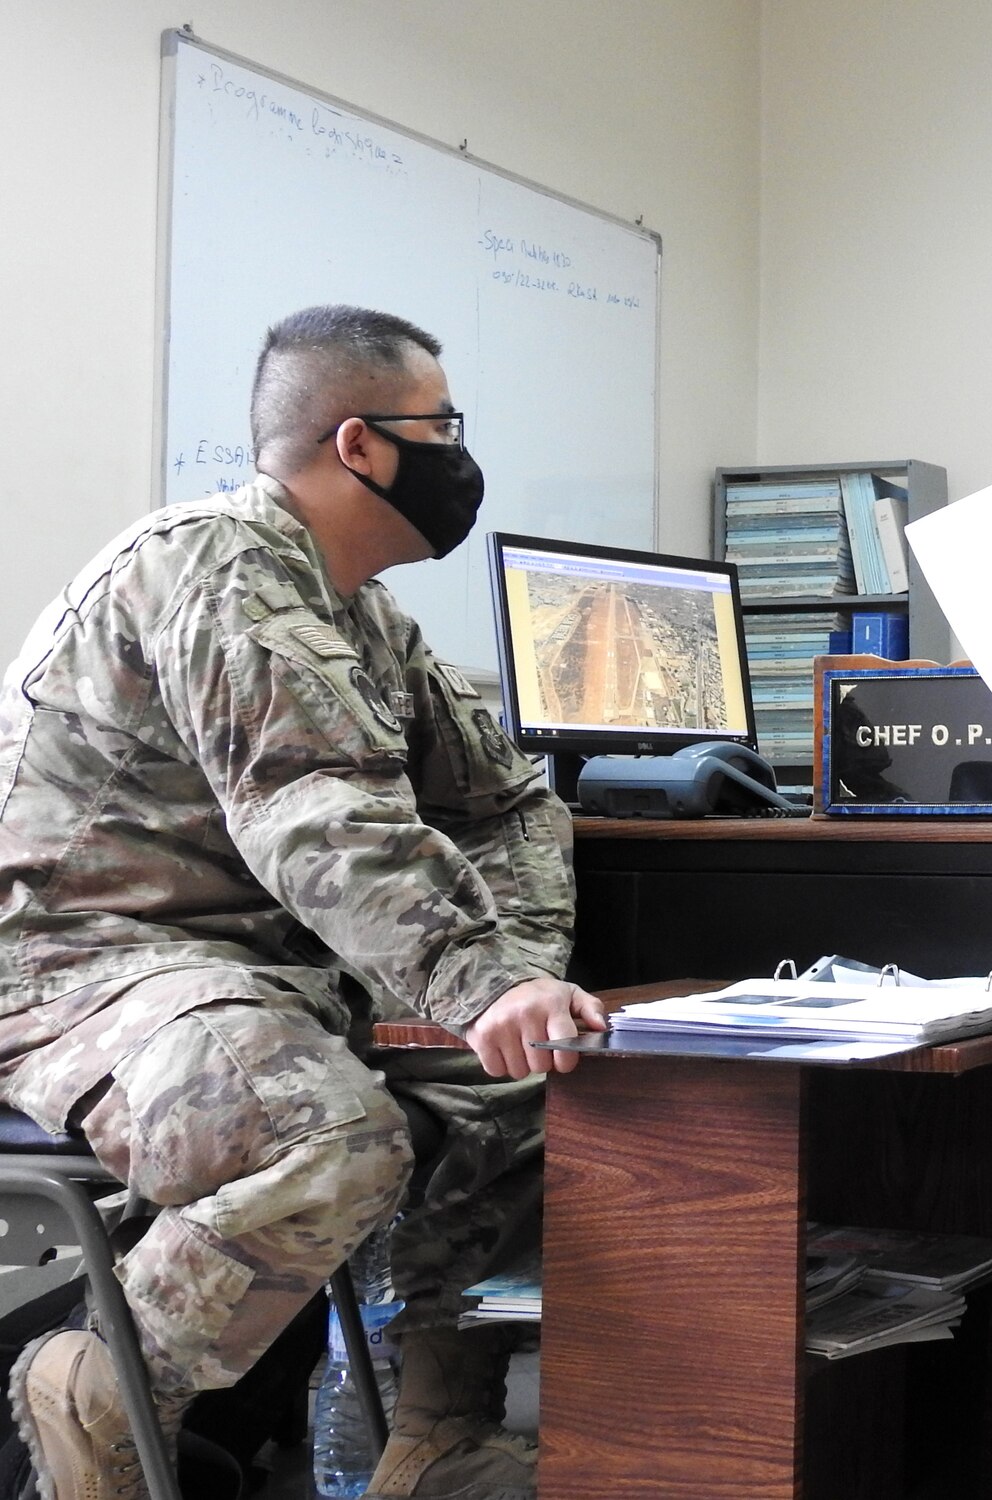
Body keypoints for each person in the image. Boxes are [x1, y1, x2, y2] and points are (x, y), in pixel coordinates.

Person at [0, 305, 605, 1500]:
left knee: (532, 1093)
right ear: (360, 444)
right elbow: (314, 807)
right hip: (86, 970)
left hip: (261, 975)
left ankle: (437, 1432)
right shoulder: (221, 564)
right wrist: (480, 979)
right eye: (443, 426)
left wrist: (509, 981)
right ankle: (104, 1389)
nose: (458, 456)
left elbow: (503, 806)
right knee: (332, 1135)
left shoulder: (362, 614)